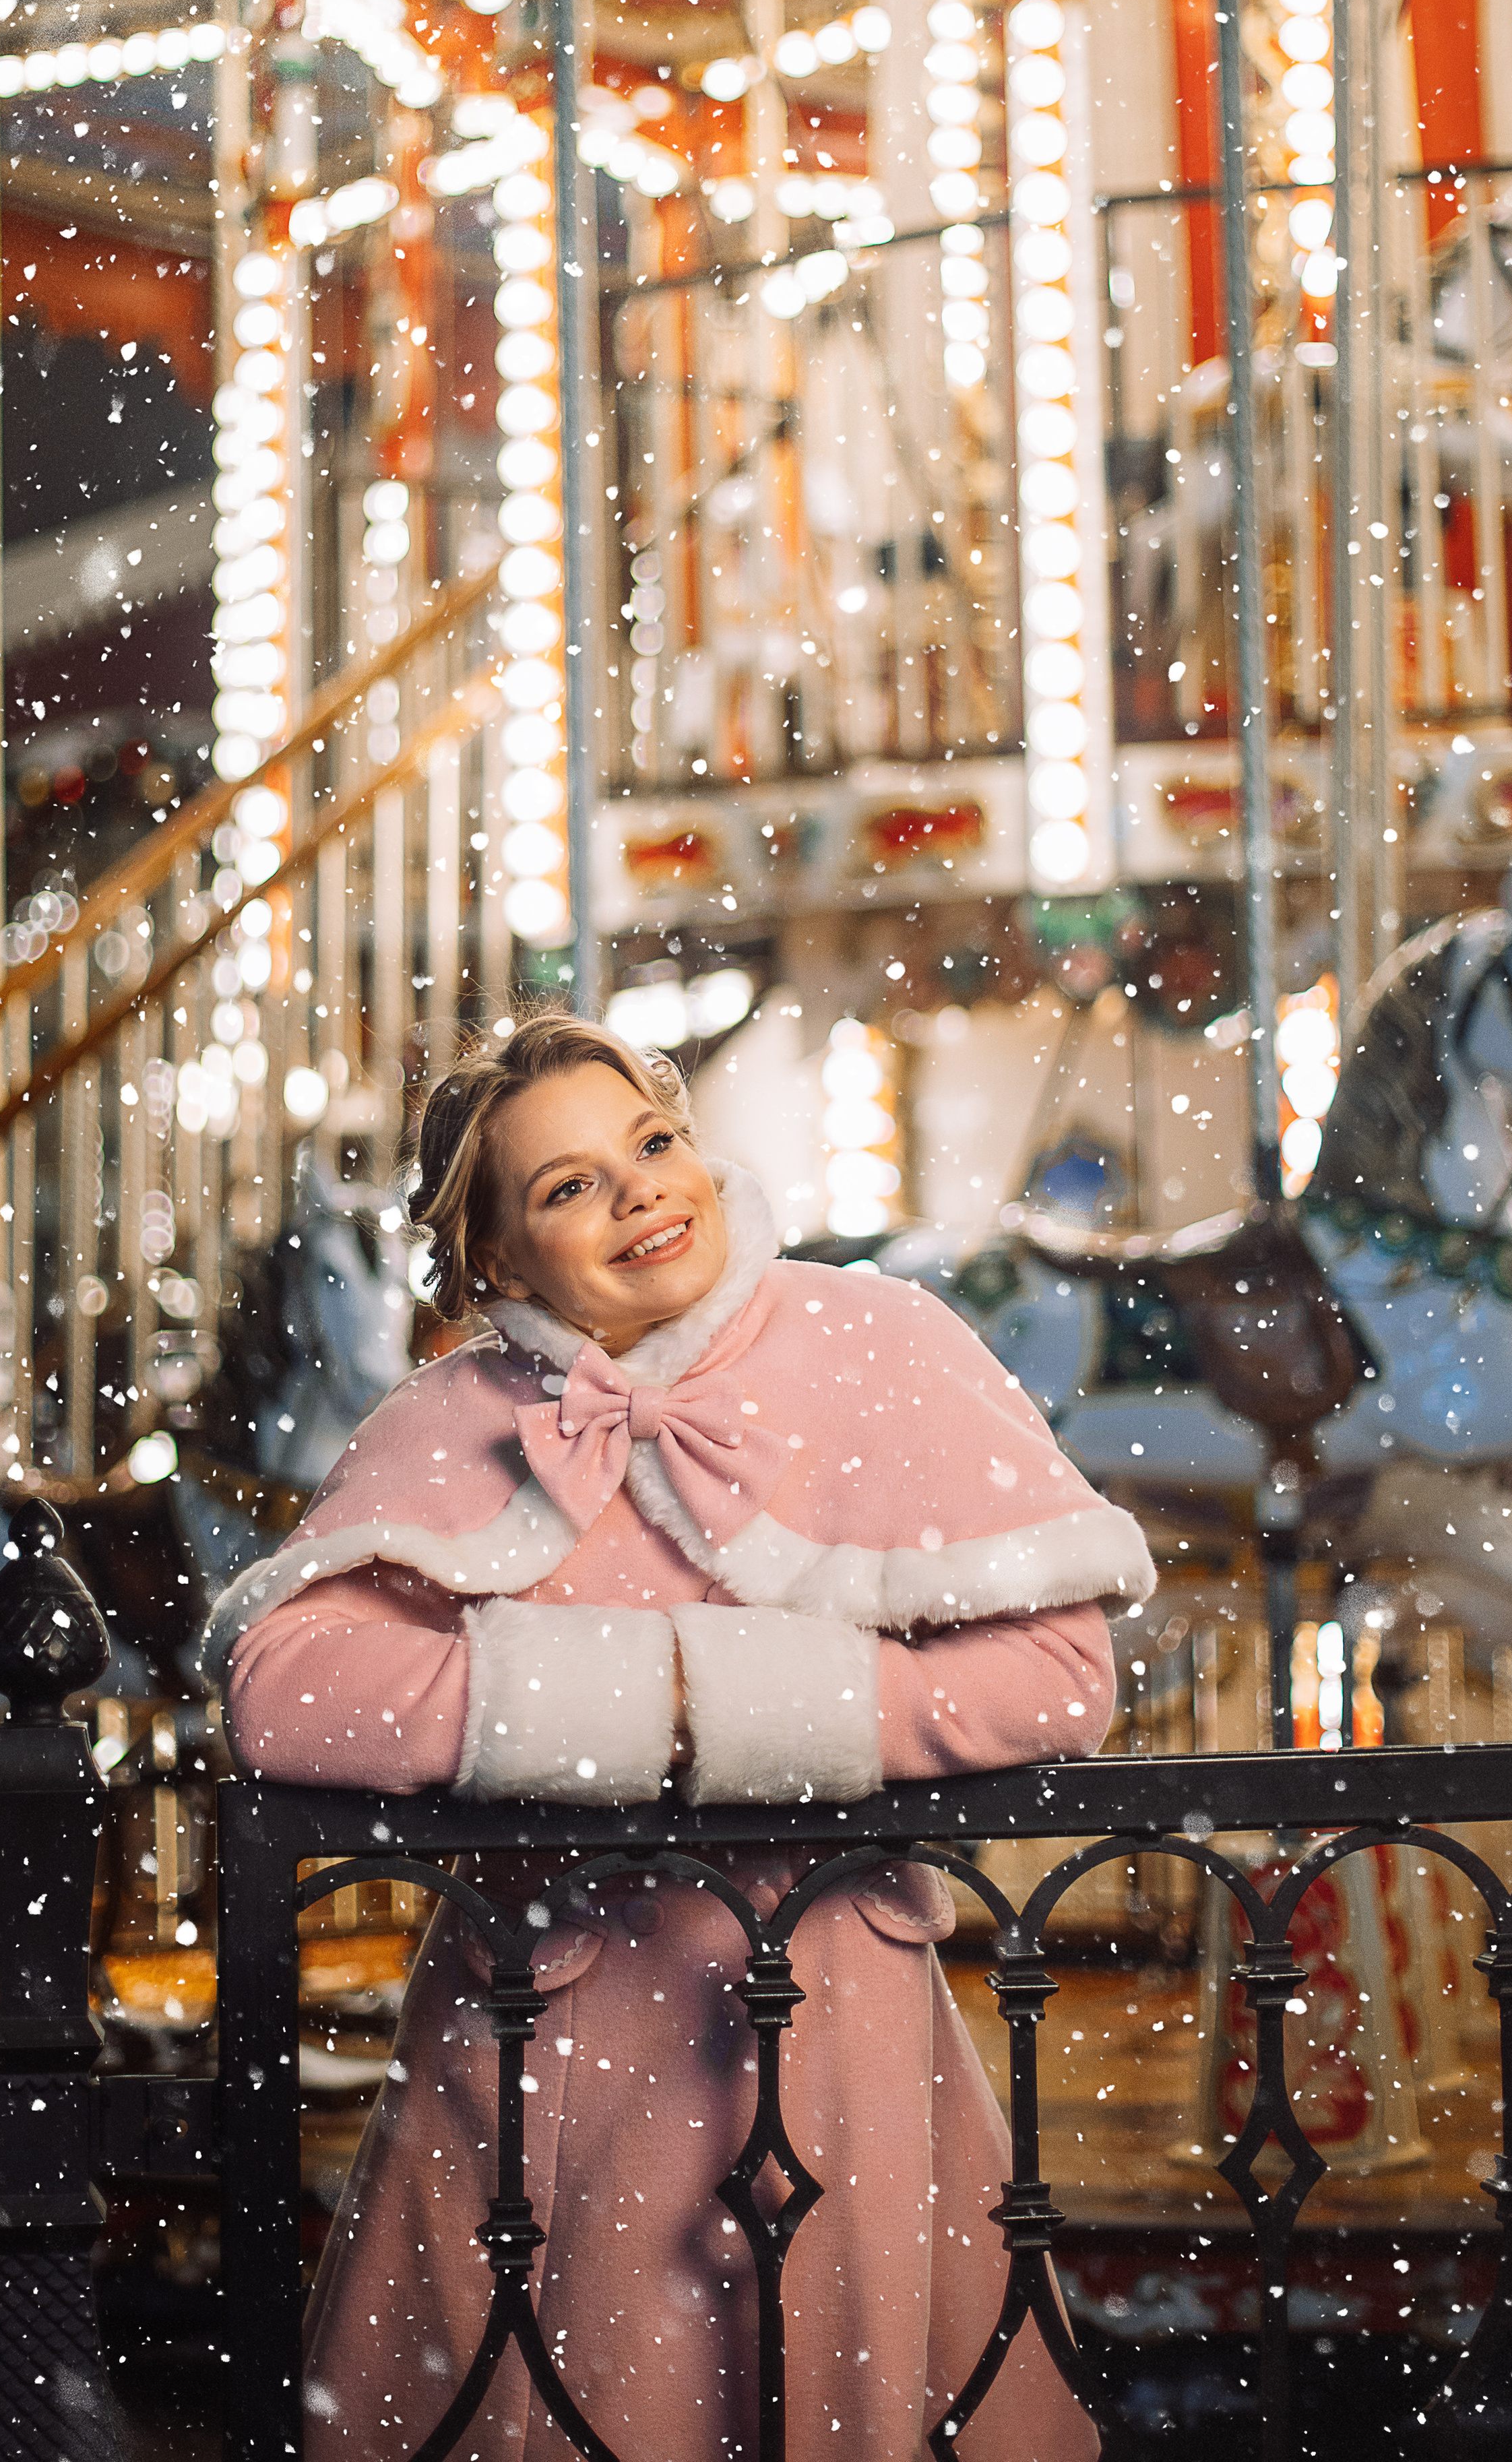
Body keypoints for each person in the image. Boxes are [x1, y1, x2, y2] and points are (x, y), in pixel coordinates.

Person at [206, 1011, 1155, 2460]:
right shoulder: (454, 1416)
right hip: (542, 2045)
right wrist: (618, 1710)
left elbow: (1053, 1675)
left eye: (650, 1145)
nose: (642, 1190)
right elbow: (282, 1689)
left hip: (829, 2027)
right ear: (492, 1266)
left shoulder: (882, 1340)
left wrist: (748, 1712)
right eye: (568, 1186)